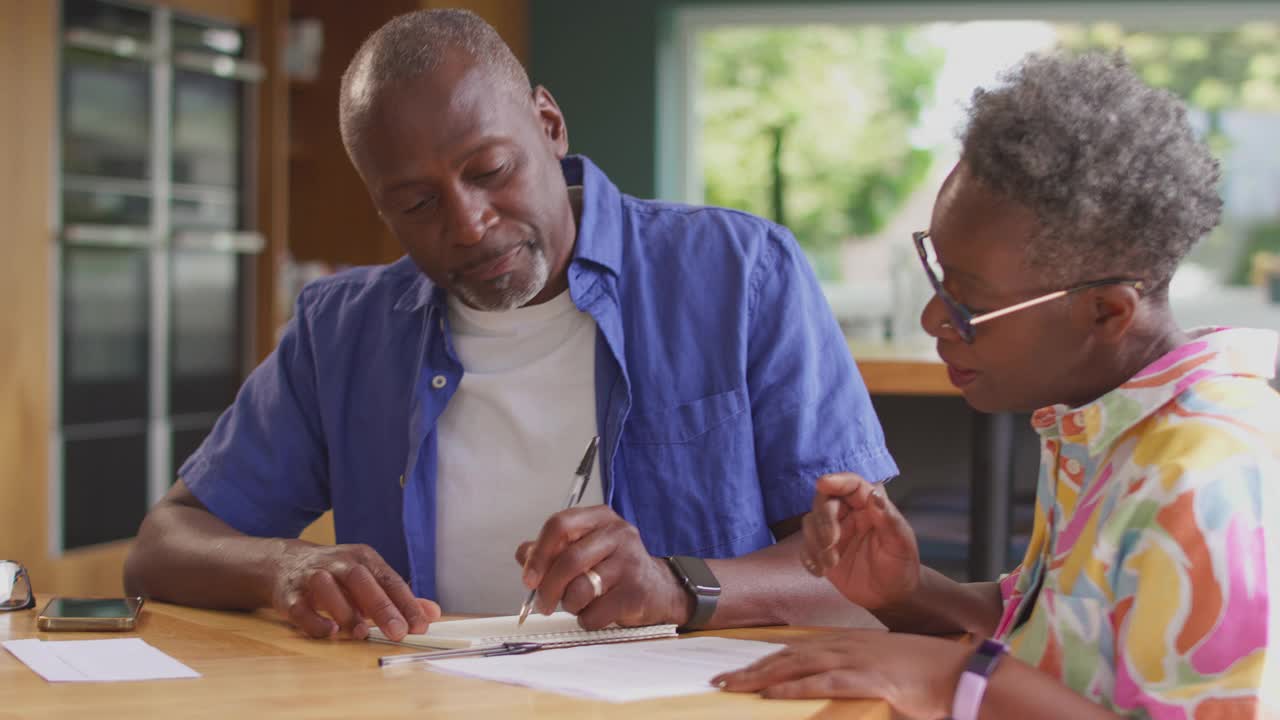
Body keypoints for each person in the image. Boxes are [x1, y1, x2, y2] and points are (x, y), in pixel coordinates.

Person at [123, 9, 897, 642]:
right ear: (381, 208)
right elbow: (164, 545)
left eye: (490, 170)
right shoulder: (343, 332)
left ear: (549, 124)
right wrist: (285, 566)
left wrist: (675, 584)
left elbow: (864, 582)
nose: (469, 224)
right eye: (417, 204)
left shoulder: (740, 274)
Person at [714, 51, 1279, 719]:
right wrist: (906, 593)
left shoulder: (1204, 478)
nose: (933, 319)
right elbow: (1058, 635)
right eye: (937, 275)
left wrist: (952, 680)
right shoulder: (1106, 425)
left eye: (968, 302)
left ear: (1105, 312)